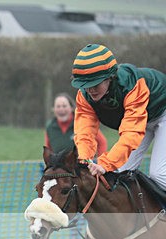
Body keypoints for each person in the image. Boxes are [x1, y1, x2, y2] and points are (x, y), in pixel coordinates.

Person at [71, 44, 166, 190]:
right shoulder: (84, 96)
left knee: (159, 175)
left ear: (110, 77)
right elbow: (84, 132)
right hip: (143, 120)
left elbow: (131, 133)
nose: (90, 90)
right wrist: (85, 159)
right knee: (120, 175)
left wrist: (105, 163)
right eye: (85, 84)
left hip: (162, 113)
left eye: (95, 84)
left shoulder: (132, 85)